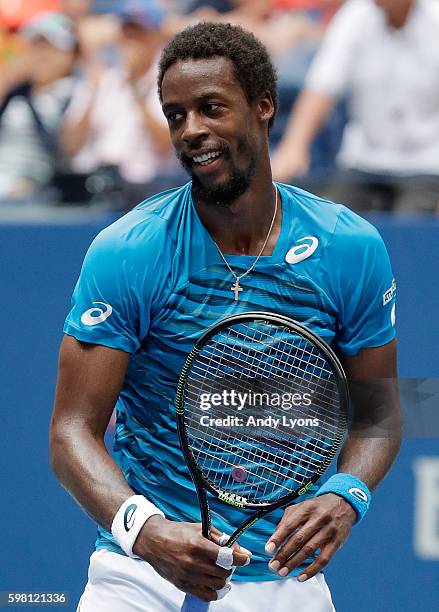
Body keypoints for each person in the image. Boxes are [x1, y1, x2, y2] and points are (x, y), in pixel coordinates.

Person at [50, 22, 401, 611]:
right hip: (140, 578)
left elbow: (381, 409)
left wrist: (348, 493)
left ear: (264, 106)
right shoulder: (130, 250)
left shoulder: (350, 248)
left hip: (289, 581)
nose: (192, 131)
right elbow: (71, 431)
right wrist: (145, 530)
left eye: (211, 108)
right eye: (176, 115)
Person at [272, 0, 439, 212]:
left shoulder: (436, 19)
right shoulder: (356, 14)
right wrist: (293, 146)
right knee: (329, 225)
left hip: (428, 167)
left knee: (413, 231)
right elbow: (322, 87)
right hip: (364, 163)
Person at [60, 0, 177, 209]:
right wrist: (93, 93)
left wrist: (135, 89)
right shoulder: (102, 78)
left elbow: (168, 143)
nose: (131, 40)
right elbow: (69, 145)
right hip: (93, 184)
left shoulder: (171, 80)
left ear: (157, 37)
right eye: (126, 32)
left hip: (146, 191)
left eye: (139, 33)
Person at [0, 12, 78, 200]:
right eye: (36, 47)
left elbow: (68, 149)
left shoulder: (74, 93)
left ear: (70, 54)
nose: (42, 56)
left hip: (36, 191)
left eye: (50, 48)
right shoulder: (15, 92)